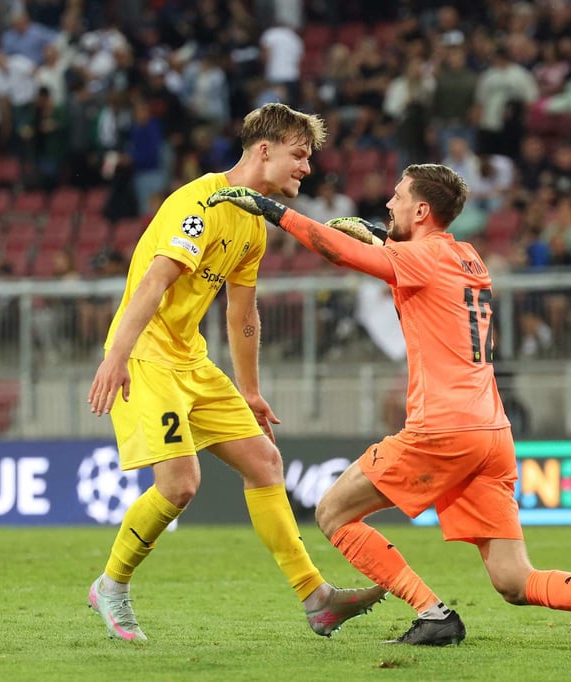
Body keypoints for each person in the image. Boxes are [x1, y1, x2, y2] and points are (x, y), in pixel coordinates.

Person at [208, 163, 571, 647]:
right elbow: (416, 265)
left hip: (442, 428)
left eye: (397, 197)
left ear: (420, 209)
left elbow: (337, 250)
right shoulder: (467, 256)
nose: (388, 202)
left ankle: (433, 614)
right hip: (492, 433)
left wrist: (273, 210)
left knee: (334, 513)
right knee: (513, 579)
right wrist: (382, 236)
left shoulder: (423, 258)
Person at [85, 103, 385, 643]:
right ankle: (111, 585)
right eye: (299, 155)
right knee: (180, 486)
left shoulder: (252, 221)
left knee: (265, 462)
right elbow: (154, 285)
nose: (307, 168)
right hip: (147, 356)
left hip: (191, 360)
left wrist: (250, 390)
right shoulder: (197, 204)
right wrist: (115, 357)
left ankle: (316, 599)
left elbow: (242, 312)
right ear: (264, 150)